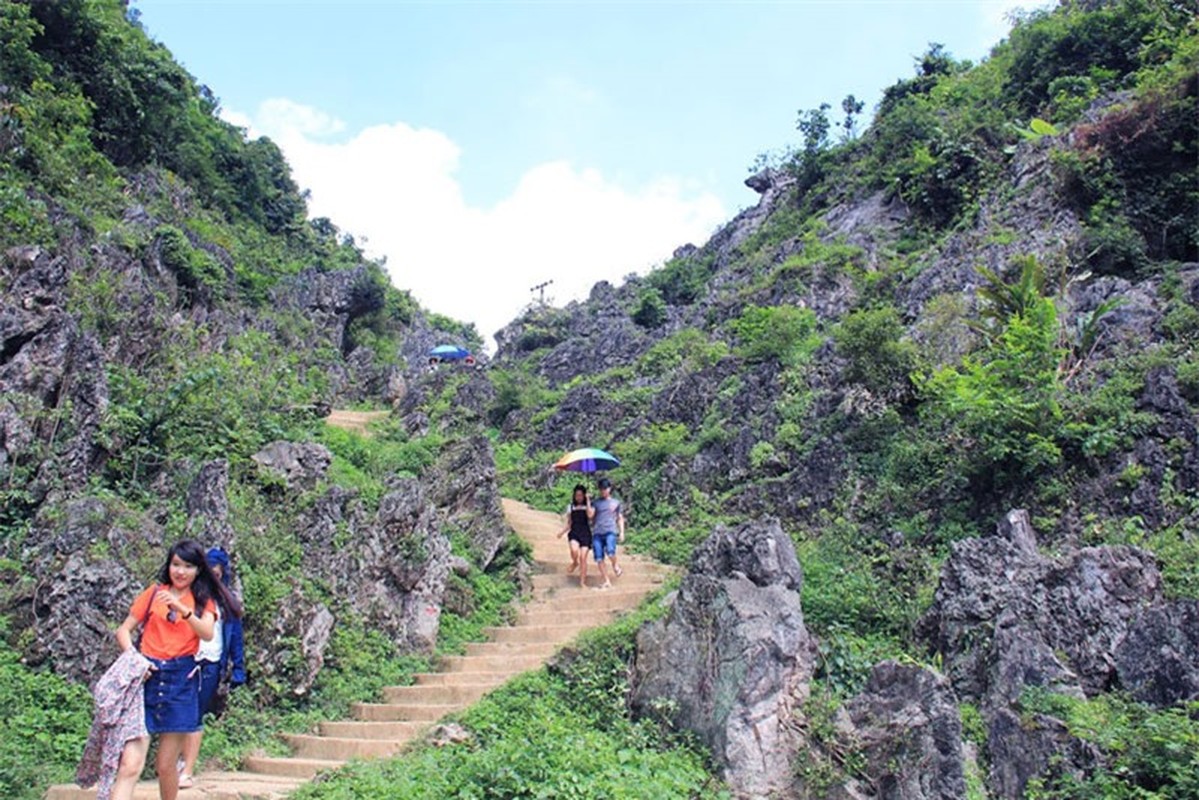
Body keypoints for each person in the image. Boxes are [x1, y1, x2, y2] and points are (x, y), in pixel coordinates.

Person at [110, 539, 240, 800]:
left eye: (188, 566)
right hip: (146, 677)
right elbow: (124, 630)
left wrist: (181, 608)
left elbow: (205, 632)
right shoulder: (154, 593)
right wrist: (135, 660)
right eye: (176, 565)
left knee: (166, 766)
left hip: (181, 680)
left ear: (198, 570)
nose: (180, 572)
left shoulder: (204, 601)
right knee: (129, 765)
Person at [178, 547, 246, 789]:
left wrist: (238, 668)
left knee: (195, 714)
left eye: (217, 574)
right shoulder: (189, 596)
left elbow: (236, 637)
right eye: (210, 573)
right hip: (185, 659)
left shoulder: (227, 602)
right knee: (180, 713)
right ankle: (176, 762)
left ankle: (186, 769)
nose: (213, 578)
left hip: (211, 662)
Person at [591, 477, 626, 589]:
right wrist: (587, 501)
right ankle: (606, 580)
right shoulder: (595, 503)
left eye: (605, 488)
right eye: (601, 489)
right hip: (597, 532)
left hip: (610, 530)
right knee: (599, 557)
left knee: (610, 552)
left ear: (609, 489)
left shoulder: (615, 503)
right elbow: (590, 516)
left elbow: (619, 518)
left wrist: (622, 532)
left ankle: (615, 565)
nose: (603, 491)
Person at [556, 484, 593, 587]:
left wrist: (588, 500)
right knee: (574, 550)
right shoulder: (571, 507)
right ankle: (574, 562)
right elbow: (569, 523)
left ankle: (582, 582)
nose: (579, 497)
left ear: (584, 496)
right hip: (574, 532)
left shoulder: (587, 506)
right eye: (577, 495)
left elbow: (590, 515)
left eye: (581, 495)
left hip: (585, 533)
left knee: (583, 558)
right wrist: (562, 532)